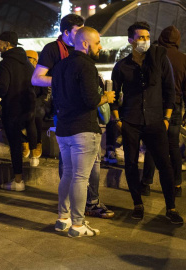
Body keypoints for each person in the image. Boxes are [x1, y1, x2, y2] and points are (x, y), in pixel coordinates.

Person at [32, 14, 114, 219]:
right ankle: (77, 220)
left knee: (76, 171)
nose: (99, 46)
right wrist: (71, 83)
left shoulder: (70, 61)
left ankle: (67, 214)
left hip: (69, 120)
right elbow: (37, 78)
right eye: (78, 31)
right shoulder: (57, 52)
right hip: (76, 120)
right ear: (67, 32)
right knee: (78, 173)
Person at [111, 22, 183, 224]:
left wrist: (167, 118)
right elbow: (115, 95)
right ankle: (137, 204)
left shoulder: (159, 59)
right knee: (131, 164)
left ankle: (171, 207)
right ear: (130, 40)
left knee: (165, 165)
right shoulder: (122, 66)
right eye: (140, 37)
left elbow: (170, 90)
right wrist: (117, 119)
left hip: (155, 121)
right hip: (131, 121)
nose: (145, 41)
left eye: (147, 37)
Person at [52, 27, 115, 237]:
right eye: (97, 43)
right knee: (80, 177)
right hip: (83, 129)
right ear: (85, 44)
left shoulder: (60, 65)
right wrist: (107, 97)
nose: (100, 46)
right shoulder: (87, 65)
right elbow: (91, 100)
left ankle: (63, 218)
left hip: (63, 128)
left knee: (68, 175)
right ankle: (78, 225)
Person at [141, 25, 186, 198]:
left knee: (152, 145)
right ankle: (176, 185)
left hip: (155, 105)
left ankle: (146, 183)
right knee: (173, 145)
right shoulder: (183, 59)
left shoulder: (153, 55)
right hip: (174, 106)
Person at [0, 31, 35, 191]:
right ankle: (29, 162)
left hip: (13, 109)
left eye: (0, 43)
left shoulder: (5, 64)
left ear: (8, 45)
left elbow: (2, 87)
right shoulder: (27, 63)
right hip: (28, 107)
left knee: (15, 145)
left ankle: (18, 180)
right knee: (19, 142)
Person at [26, 49, 48, 166]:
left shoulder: (41, 74)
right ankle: (24, 141)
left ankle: (37, 143)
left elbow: (45, 94)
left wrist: (35, 102)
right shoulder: (22, 74)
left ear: (35, 61)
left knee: (37, 115)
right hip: (25, 104)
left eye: (30, 60)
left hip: (38, 104)